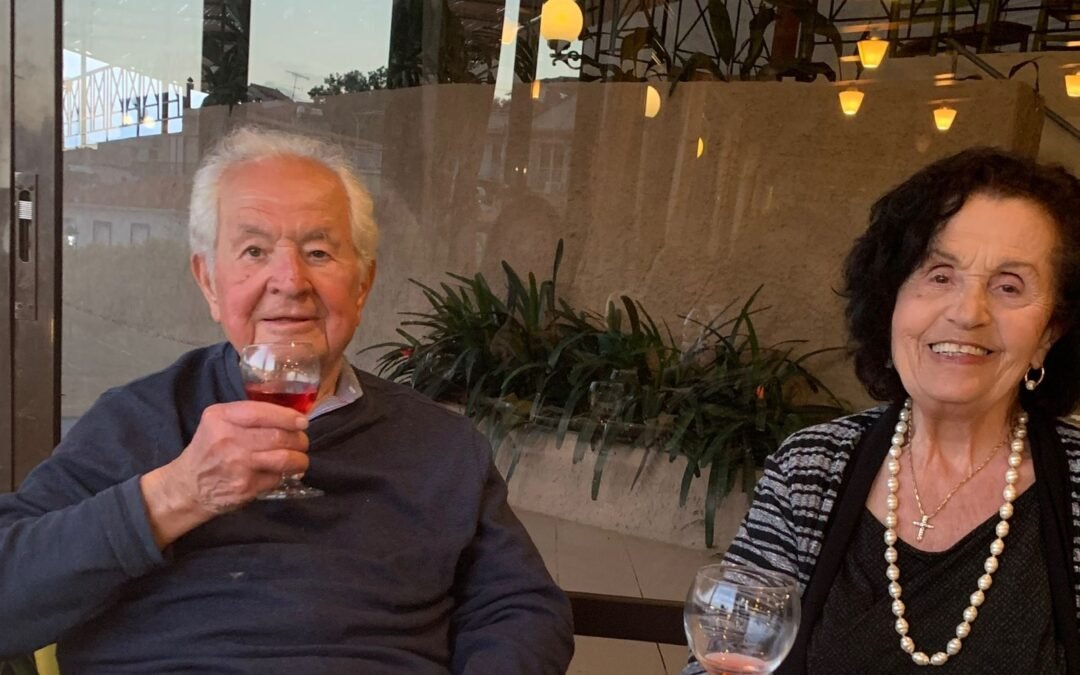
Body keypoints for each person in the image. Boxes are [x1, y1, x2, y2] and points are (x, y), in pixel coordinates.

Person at [0, 126, 575, 674]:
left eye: (320, 253)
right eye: (253, 251)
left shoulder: (442, 446)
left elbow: (522, 609)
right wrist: (176, 494)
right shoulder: (136, 421)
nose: (289, 280)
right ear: (208, 281)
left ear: (363, 282)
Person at [684, 147, 1080, 674]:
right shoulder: (810, 468)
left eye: (1009, 287)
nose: (967, 312)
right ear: (892, 301)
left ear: (1049, 335)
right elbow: (722, 659)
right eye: (939, 275)